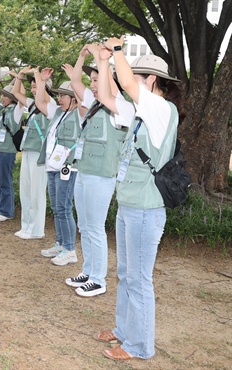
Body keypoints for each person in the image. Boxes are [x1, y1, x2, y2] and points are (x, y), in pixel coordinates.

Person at [97, 36, 182, 361]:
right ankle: (124, 331)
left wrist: (118, 50)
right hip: (129, 205)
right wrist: (104, 61)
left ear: (153, 81)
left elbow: (127, 84)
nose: (132, 81)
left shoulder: (160, 109)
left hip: (146, 209)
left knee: (139, 279)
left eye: (139, 76)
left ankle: (139, 346)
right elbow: (106, 95)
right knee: (125, 274)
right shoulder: (139, 112)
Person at [66, 44, 135, 297]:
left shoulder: (120, 108)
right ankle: (88, 269)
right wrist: (83, 55)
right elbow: (74, 80)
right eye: (92, 80)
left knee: (95, 226)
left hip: (101, 176)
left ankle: (98, 279)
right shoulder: (94, 105)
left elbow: (112, 91)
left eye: (97, 80)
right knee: (84, 225)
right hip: (83, 172)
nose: (92, 85)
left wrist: (102, 59)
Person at [33, 67, 85, 265]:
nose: (60, 98)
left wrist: (75, 79)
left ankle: (70, 249)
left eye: (64, 95)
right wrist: (41, 82)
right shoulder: (57, 113)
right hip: (52, 167)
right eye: (60, 95)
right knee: (56, 208)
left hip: (68, 168)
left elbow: (84, 100)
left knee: (64, 207)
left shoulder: (79, 115)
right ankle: (61, 243)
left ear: (73, 98)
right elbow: (39, 102)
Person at [11, 66, 55, 239]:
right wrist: (20, 77)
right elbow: (16, 94)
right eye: (33, 87)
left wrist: (38, 76)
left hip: (40, 153)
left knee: (37, 192)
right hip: (28, 149)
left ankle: (37, 230)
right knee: (26, 190)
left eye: (36, 86)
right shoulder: (32, 105)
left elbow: (42, 97)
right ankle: (26, 226)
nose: (33, 89)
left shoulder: (50, 105)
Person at [0, 71, 26, 221]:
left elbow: (23, 95)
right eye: (1, 95)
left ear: (12, 97)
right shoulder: (0, 109)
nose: (2, 98)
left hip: (7, 152)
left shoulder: (17, 110)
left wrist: (18, 78)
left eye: (5, 95)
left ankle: (7, 211)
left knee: (5, 181)